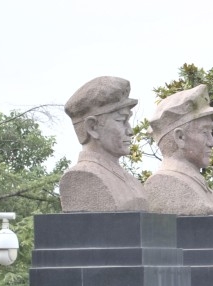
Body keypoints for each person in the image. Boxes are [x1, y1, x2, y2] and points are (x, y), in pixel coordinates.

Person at [59, 76, 148, 212]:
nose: (130, 131)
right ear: (92, 127)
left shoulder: (130, 180)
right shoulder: (83, 177)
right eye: (121, 120)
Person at [143, 84, 213, 215]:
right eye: (204, 132)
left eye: (211, 132)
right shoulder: (166, 184)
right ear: (180, 137)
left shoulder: (199, 185)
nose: (212, 142)